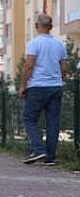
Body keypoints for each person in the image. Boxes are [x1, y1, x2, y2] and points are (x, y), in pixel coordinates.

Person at [19, 14, 67, 166]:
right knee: (53, 121)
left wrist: (23, 85)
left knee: (28, 118)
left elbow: (29, 66)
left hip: (38, 86)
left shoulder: (34, 43)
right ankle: (50, 157)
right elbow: (64, 67)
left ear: (36, 26)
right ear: (51, 27)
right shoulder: (59, 45)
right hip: (55, 86)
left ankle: (38, 149)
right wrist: (59, 80)